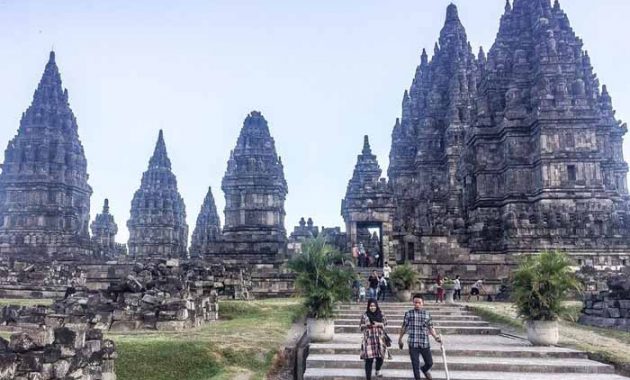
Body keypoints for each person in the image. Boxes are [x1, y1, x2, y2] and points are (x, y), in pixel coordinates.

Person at [398, 294, 442, 380]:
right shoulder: (409, 314)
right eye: (415, 302)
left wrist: (436, 337)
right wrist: (400, 339)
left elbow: (431, 327)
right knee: (415, 365)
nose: (417, 304)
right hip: (412, 343)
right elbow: (404, 327)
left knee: (429, 363)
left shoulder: (427, 314)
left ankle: (424, 369)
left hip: (424, 343)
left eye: (419, 302)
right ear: (413, 303)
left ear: (423, 303)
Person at [360, 299, 388, 379]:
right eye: (371, 306)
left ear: (376, 306)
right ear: (368, 306)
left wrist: (379, 324)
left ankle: (377, 370)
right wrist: (366, 325)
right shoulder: (365, 315)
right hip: (368, 340)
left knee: (380, 358)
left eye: (374, 306)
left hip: (379, 339)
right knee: (369, 360)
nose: (372, 307)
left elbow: (385, 324)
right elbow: (361, 327)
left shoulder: (381, 314)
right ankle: (368, 378)